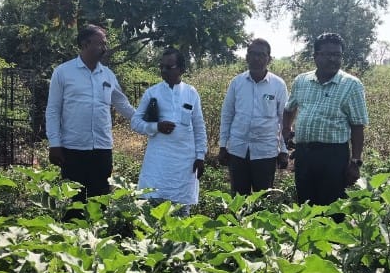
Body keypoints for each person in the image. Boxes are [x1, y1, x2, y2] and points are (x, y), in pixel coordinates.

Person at [45, 24, 135, 212]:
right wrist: (55, 144)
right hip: (73, 149)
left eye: (105, 44)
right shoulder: (63, 72)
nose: (105, 48)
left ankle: (97, 232)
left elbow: (123, 105)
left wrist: (149, 124)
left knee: (100, 202)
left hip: (102, 149)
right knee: (73, 205)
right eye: (101, 43)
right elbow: (53, 110)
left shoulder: (108, 75)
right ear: (85, 44)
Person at [281, 32, 369, 208]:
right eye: (328, 54)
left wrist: (355, 162)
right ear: (315, 56)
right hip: (304, 154)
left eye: (337, 55)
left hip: (333, 157)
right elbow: (289, 108)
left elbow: (357, 126)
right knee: (305, 205)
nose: (333, 59)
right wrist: (286, 130)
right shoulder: (302, 81)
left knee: (332, 208)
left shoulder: (352, 85)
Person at [131, 47, 207, 216]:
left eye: (169, 67)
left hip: (184, 164)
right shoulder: (152, 93)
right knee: (153, 213)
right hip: (158, 163)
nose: (164, 71)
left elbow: (199, 126)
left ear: (181, 69)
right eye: (162, 67)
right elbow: (135, 122)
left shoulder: (191, 93)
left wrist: (200, 156)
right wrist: (156, 127)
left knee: (180, 216)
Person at [218, 38, 289, 195]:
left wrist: (283, 150)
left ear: (269, 59)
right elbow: (227, 114)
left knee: (262, 198)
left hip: (266, 151)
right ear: (247, 57)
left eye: (261, 55)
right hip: (238, 150)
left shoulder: (278, 85)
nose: (256, 58)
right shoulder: (237, 83)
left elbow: (284, 119)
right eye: (253, 54)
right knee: (238, 198)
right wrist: (223, 146)